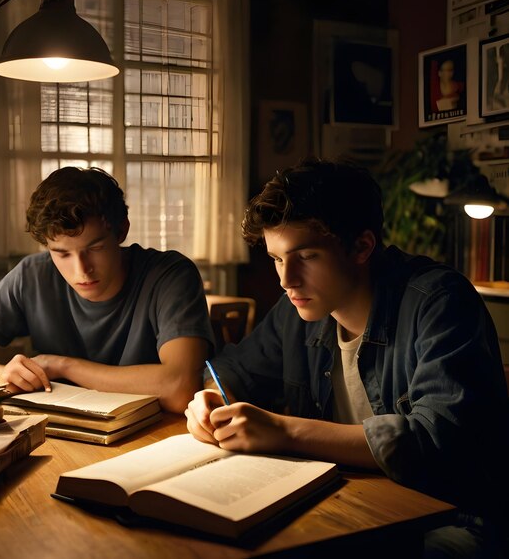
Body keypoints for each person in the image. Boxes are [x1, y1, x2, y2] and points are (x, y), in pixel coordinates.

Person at [185, 157, 509, 558]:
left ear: (361, 246)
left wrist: (285, 431)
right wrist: (209, 401)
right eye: (276, 259)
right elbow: (229, 372)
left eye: (306, 257)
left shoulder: (440, 302)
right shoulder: (298, 309)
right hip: (347, 505)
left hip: (451, 520)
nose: (286, 280)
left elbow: (437, 440)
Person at [0, 166, 214, 413]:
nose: (81, 270)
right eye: (62, 253)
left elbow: (180, 388)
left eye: (95, 248)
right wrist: (6, 373)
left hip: (154, 439)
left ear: (122, 231)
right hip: (63, 438)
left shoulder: (170, 275)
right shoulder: (32, 276)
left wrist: (63, 366)